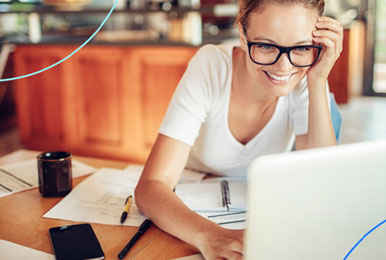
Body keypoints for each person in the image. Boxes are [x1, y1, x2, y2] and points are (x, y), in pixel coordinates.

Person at [134, 0, 343, 258]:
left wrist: (318, 80)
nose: (283, 67)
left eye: (300, 47)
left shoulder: (305, 75)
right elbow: (151, 185)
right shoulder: (212, 66)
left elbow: (324, 182)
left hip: (262, 211)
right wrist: (210, 236)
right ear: (243, 36)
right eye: (266, 45)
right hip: (191, 208)